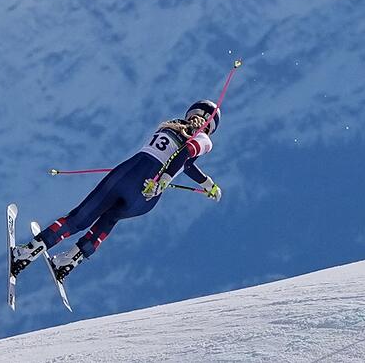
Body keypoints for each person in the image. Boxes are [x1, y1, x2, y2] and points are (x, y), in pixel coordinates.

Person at [11, 100, 223, 280]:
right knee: (110, 219)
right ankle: (70, 260)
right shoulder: (204, 140)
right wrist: (205, 184)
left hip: (129, 174)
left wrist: (192, 180)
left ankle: (27, 253)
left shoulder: (171, 125)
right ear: (211, 126)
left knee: (80, 219)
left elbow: (183, 155)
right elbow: (185, 159)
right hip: (147, 197)